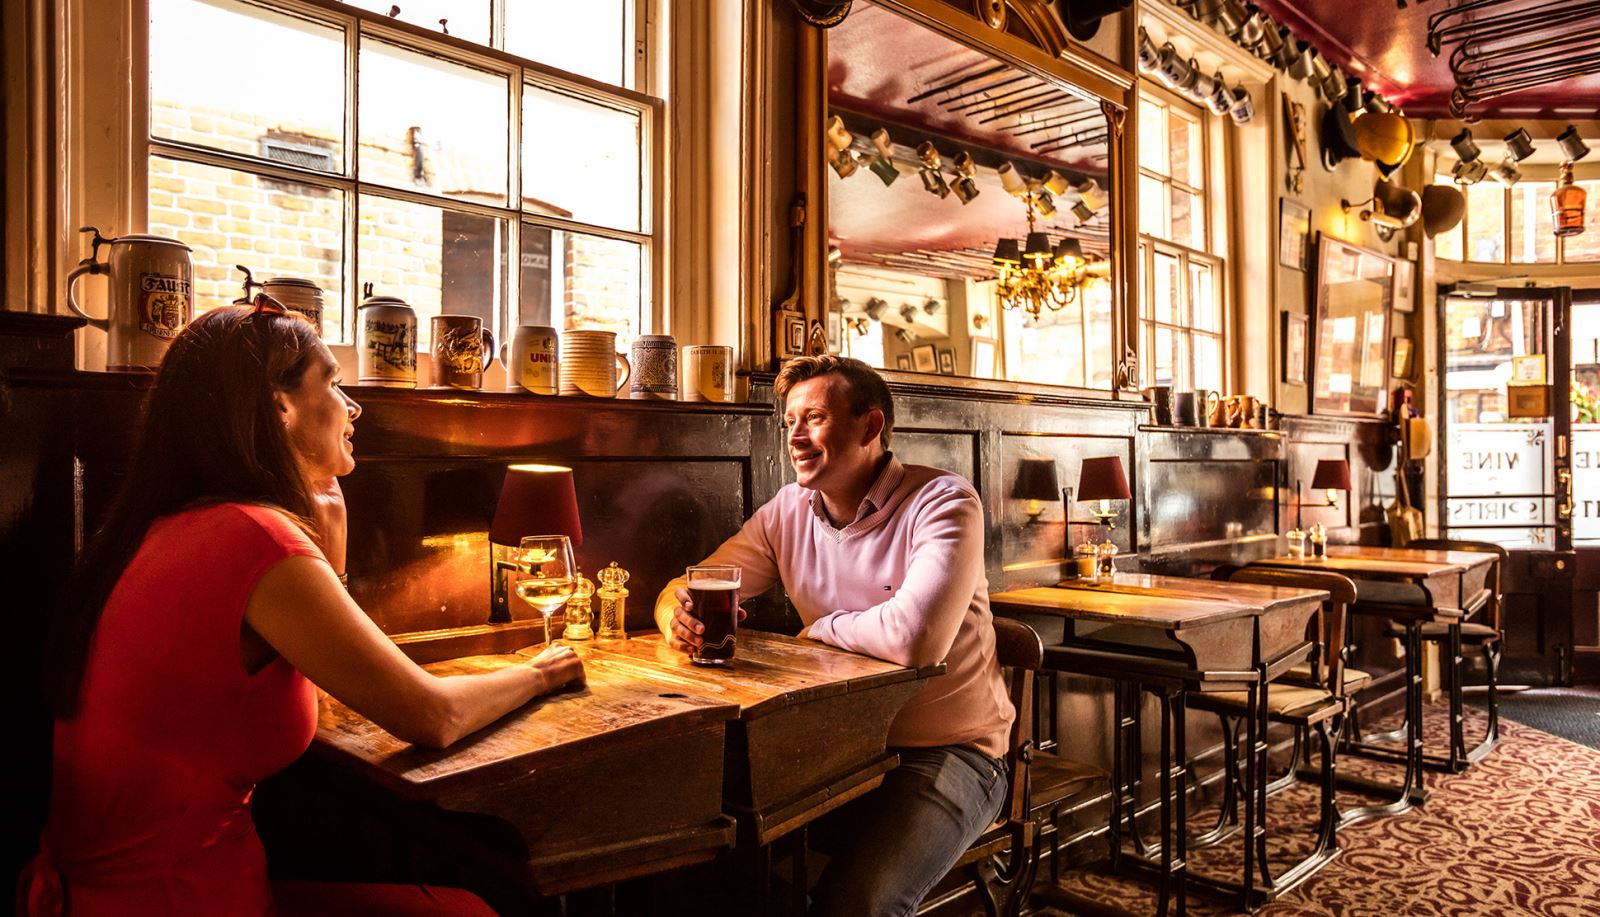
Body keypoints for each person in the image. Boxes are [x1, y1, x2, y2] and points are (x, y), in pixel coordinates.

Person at [21, 299, 585, 916]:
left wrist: (329, 539)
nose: (353, 406)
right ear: (280, 405)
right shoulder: (255, 537)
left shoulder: (165, 527)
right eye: (335, 383)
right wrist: (541, 672)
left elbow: (312, 686)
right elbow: (432, 715)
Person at [654, 354, 1013, 916]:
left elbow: (918, 638)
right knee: (691, 855)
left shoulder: (943, 501)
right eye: (788, 420)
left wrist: (820, 629)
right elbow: (691, 583)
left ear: (870, 426)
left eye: (814, 417)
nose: (795, 434)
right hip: (834, 747)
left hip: (951, 753)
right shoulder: (786, 511)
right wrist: (675, 618)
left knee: (857, 905)